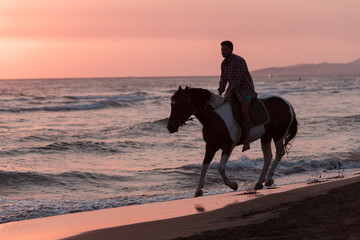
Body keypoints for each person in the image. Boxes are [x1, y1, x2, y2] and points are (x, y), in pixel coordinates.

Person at [218, 40, 255, 152]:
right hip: (233, 90)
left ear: (231, 49)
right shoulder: (223, 63)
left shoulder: (239, 61)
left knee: (244, 111)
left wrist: (228, 95)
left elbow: (237, 81)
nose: (223, 52)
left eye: (225, 49)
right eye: (221, 50)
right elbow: (223, 79)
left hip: (245, 89)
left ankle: (247, 139)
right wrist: (220, 93)